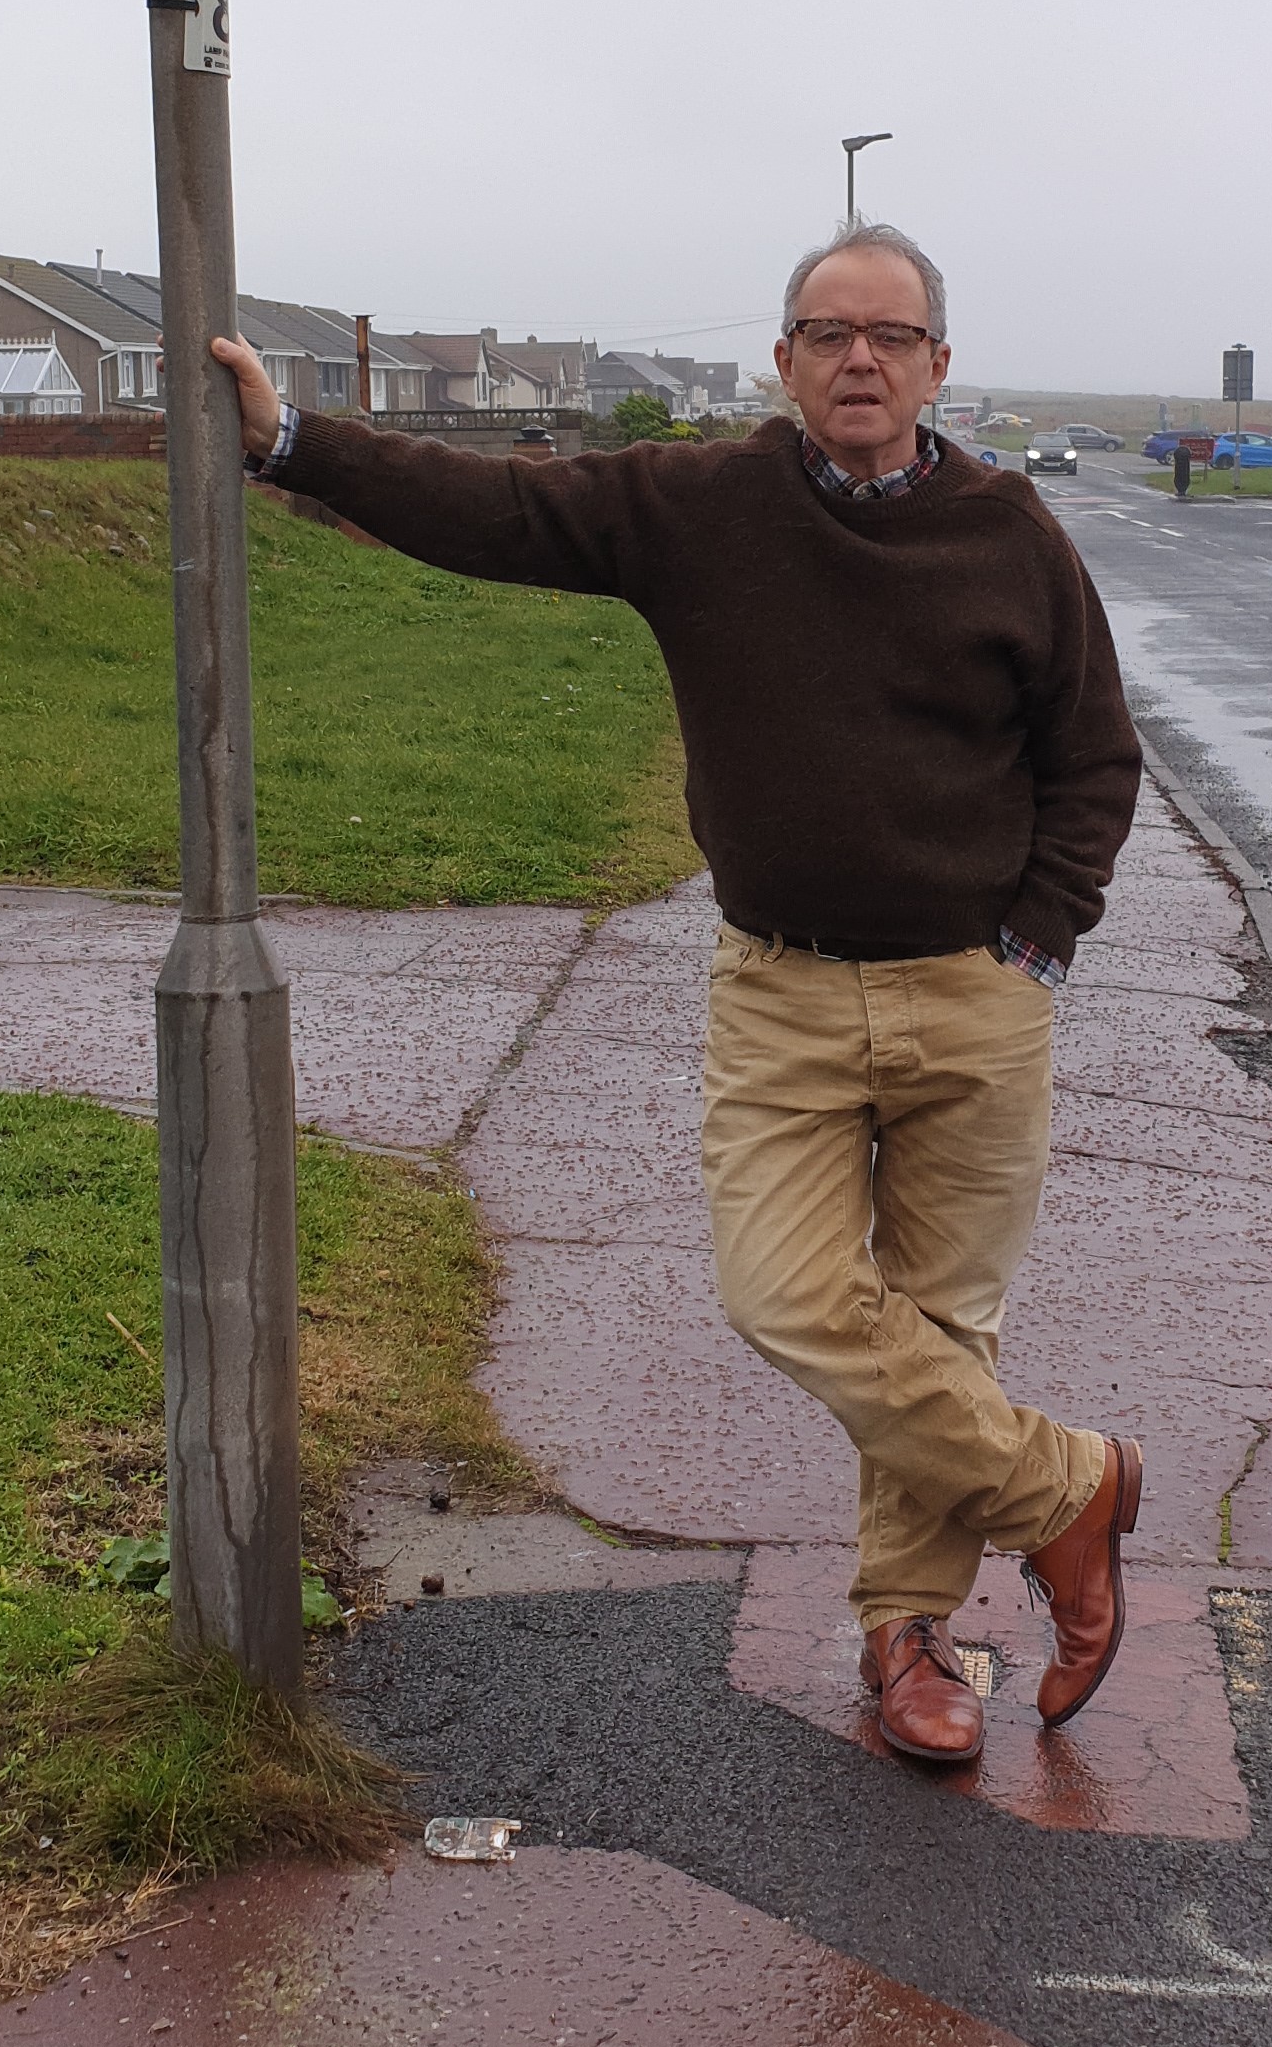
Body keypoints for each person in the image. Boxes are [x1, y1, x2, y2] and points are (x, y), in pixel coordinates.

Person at [213, 221, 1143, 1770]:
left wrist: (1037, 943)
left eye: (890, 337)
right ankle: (1068, 1495)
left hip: (974, 997)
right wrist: (296, 440)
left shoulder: (1011, 534)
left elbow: (1093, 756)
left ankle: (907, 1635)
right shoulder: (695, 504)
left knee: (936, 1331)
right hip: (780, 992)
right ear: (782, 359)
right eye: (826, 331)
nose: (859, 358)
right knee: (785, 1295)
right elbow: (492, 507)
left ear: (935, 366)